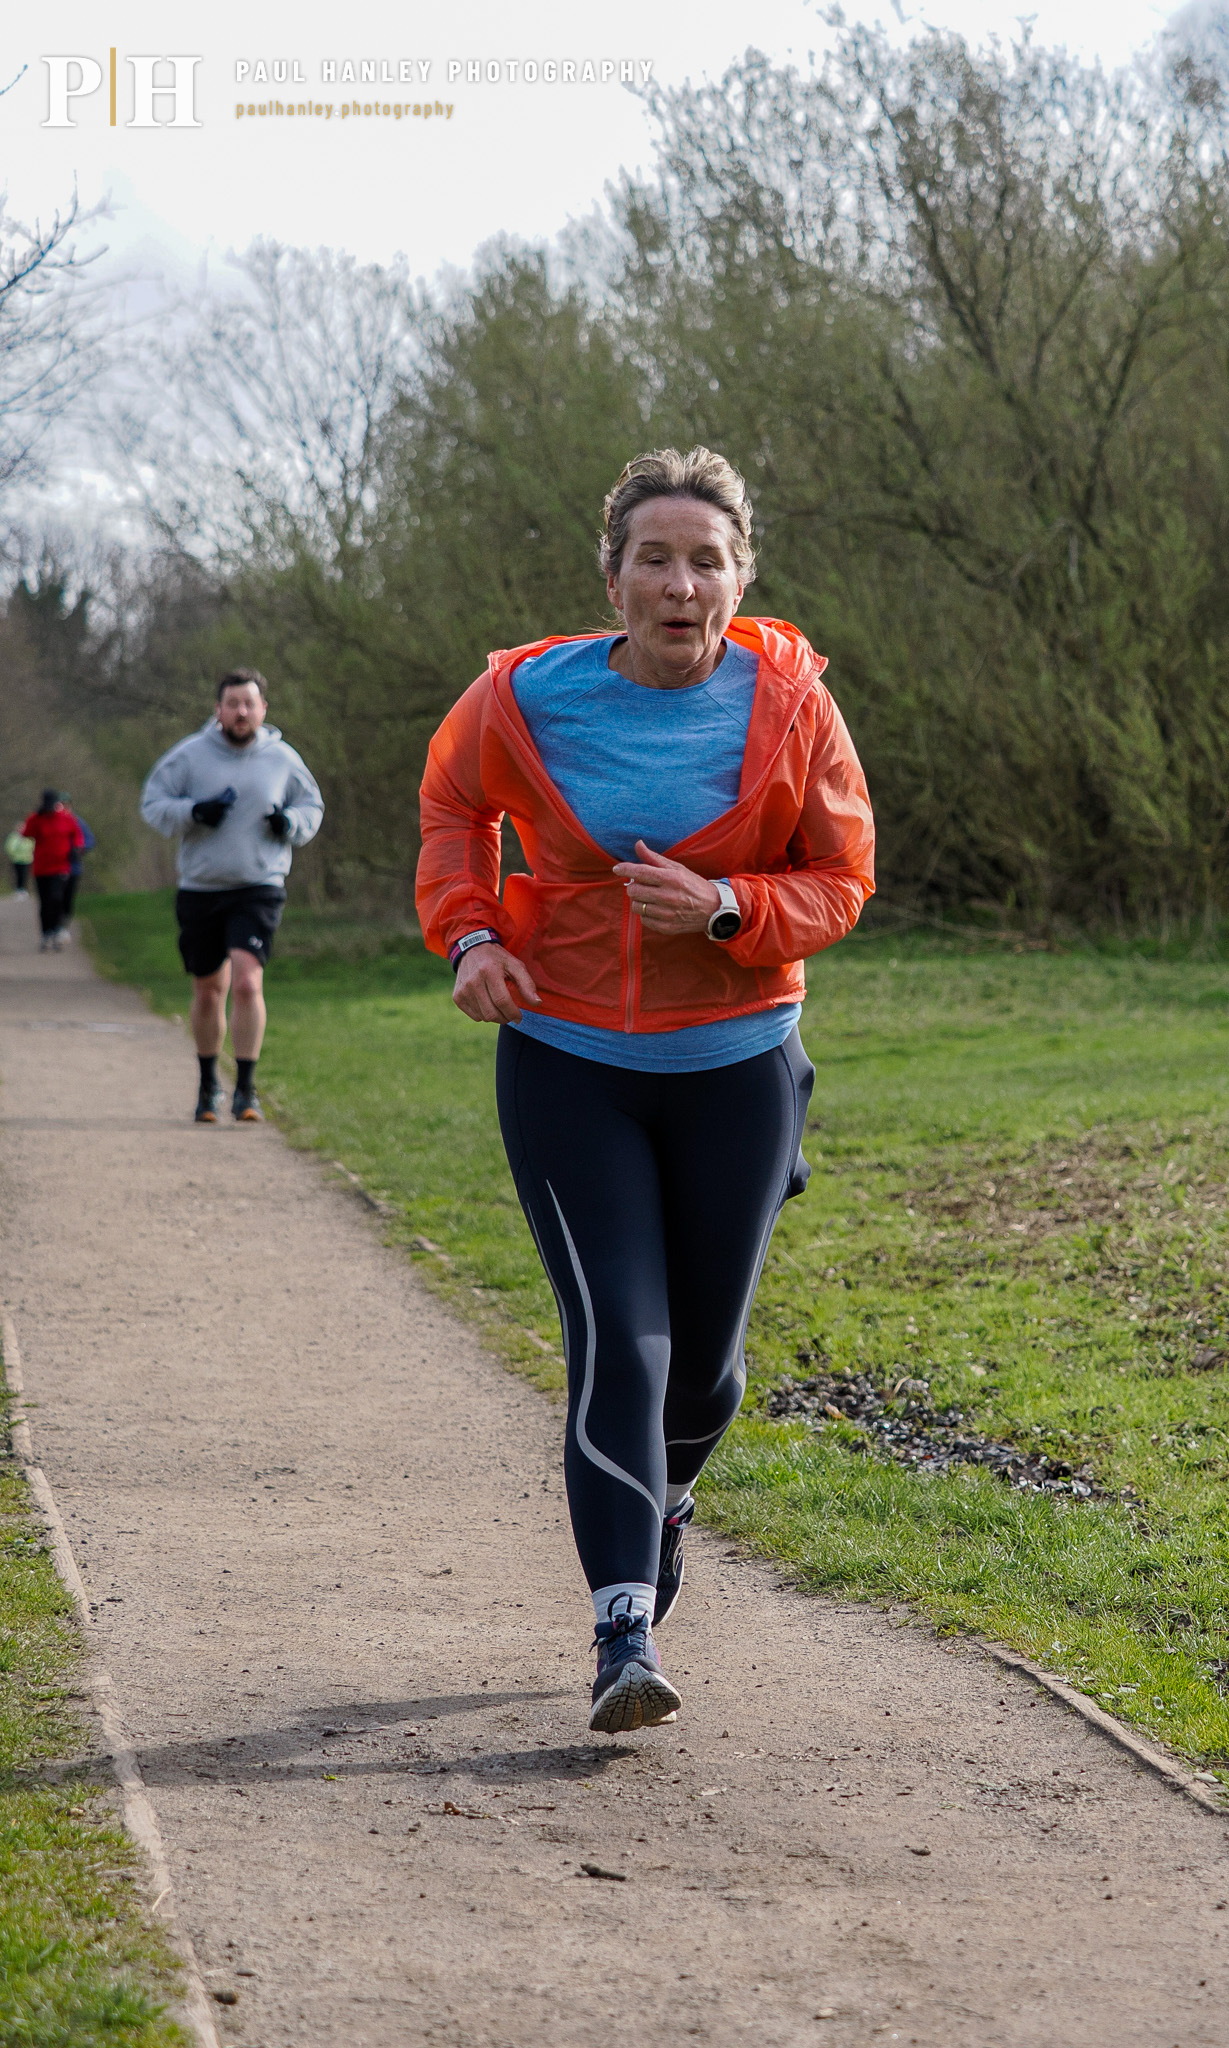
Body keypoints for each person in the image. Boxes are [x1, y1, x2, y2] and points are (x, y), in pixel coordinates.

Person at [417, 446, 876, 1735]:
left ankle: (665, 1502)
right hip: (570, 1060)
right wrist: (471, 936)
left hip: (739, 1062)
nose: (682, 583)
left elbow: (842, 879)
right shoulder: (522, 697)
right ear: (611, 575)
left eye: (707, 560)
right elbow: (455, 804)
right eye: (656, 558)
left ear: (742, 578)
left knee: (708, 1372)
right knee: (623, 1338)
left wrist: (731, 905)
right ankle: (625, 1623)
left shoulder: (792, 706)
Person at [140, 669, 324, 1124]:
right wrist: (194, 811)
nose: (241, 712)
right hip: (201, 889)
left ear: (263, 709)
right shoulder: (189, 755)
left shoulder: (282, 758)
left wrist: (289, 825)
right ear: (218, 710)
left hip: (259, 887)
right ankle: (208, 1084)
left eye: (249, 703)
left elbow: (312, 807)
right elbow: (153, 803)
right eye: (232, 704)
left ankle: (246, 1089)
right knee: (209, 991)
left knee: (246, 982)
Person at [20, 790, 85, 950]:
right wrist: (35, 818)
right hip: (41, 868)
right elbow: (26, 833)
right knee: (45, 901)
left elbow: (77, 835)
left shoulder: (66, 818)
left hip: (61, 866)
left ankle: (57, 930)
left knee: (56, 898)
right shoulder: (36, 818)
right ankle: (46, 933)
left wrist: (77, 847)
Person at [58, 801, 95, 925]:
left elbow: (90, 840)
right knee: (54, 896)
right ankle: (53, 925)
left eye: (65, 806)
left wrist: (79, 850)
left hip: (73, 866)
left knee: (68, 897)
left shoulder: (78, 822)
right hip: (54, 867)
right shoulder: (50, 822)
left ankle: (64, 924)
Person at [5, 822, 33, 898]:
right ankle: (18, 890)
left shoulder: (29, 836)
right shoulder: (14, 837)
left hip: (27, 859)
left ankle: (23, 890)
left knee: (24, 875)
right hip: (17, 859)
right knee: (18, 874)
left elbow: (32, 846)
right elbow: (10, 847)